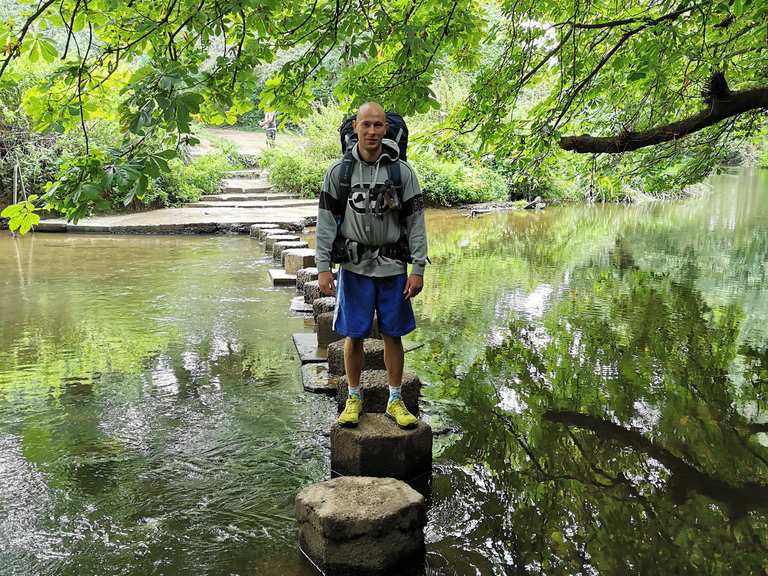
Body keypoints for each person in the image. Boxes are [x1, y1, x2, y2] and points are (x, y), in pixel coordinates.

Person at [315, 102, 428, 429]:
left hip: (393, 267)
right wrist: (324, 266)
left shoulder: (402, 173)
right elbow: (326, 222)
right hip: (353, 267)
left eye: (378, 125)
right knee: (354, 334)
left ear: (386, 129)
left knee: (394, 335)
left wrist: (417, 267)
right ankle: (354, 396)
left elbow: (416, 223)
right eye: (366, 125)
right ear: (355, 127)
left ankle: (395, 400)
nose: (373, 131)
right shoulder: (340, 173)